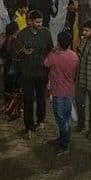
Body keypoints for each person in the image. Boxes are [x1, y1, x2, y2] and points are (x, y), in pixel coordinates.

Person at [14, 10, 53, 138]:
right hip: (27, 73)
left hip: (42, 72)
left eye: (41, 21)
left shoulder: (46, 33)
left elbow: (50, 50)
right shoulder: (22, 35)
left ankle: (41, 120)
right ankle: (28, 127)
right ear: (30, 21)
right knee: (28, 100)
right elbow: (16, 52)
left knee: (41, 99)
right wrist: (24, 52)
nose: (40, 24)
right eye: (37, 22)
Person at [44, 31, 79, 155]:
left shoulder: (55, 56)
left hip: (58, 91)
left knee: (61, 120)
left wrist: (52, 51)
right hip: (69, 90)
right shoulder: (74, 56)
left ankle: (64, 145)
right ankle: (64, 139)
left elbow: (46, 63)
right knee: (67, 117)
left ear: (58, 42)